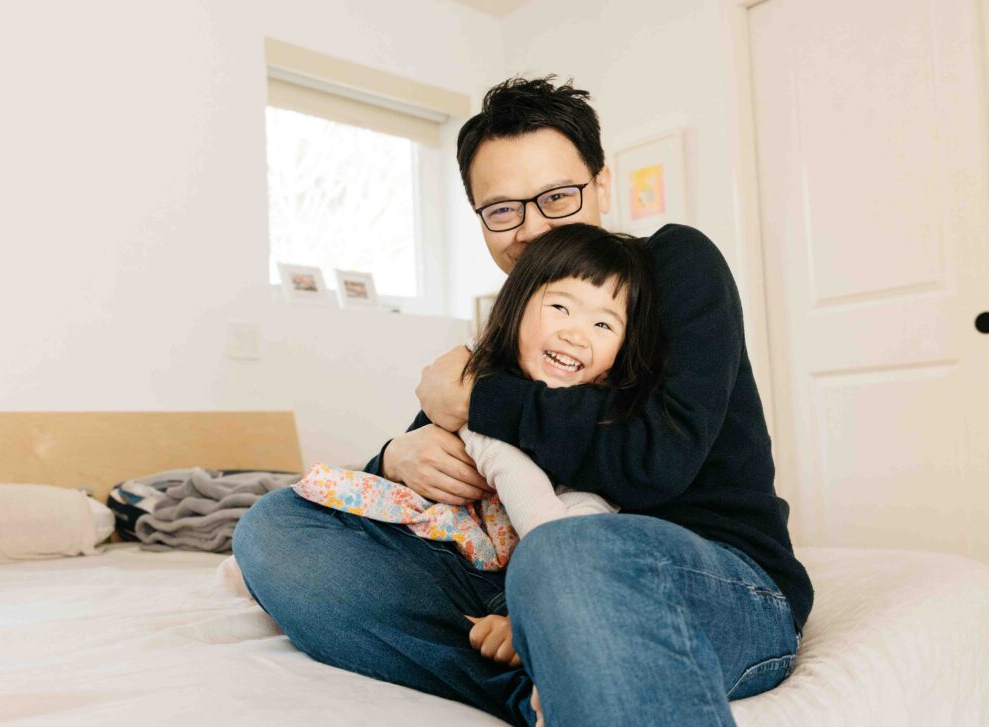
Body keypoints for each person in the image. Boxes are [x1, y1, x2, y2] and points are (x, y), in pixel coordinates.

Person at [233, 76, 813, 727]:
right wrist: (396, 455)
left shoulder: (675, 264)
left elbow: (656, 462)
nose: (531, 228)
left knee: (566, 552)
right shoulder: (511, 325)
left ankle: (557, 662)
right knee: (277, 526)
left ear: (602, 185)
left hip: (709, 575)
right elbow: (427, 472)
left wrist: (476, 394)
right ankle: (542, 680)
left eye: (557, 197)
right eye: (502, 209)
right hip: (515, 581)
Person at [288, 224, 662, 665]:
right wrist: (392, 457)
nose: (576, 335)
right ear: (516, 309)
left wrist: (541, 603)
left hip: (541, 574)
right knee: (280, 519)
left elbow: (590, 509)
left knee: (591, 557)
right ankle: (512, 644)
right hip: (462, 555)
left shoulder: (609, 414)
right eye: (560, 307)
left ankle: (524, 646)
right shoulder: (481, 390)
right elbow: (512, 472)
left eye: (602, 324)